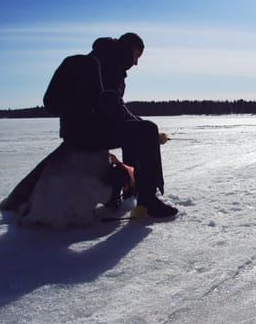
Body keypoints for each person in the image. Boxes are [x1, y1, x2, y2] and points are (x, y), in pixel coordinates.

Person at [42, 32, 177, 218]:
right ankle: (148, 199)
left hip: (72, 132)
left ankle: (131, 190)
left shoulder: (92, 60)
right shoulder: (108, 65)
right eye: (136, 56)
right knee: (147, 131)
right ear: (128, 49)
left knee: (137, 131)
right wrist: (148, 131)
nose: (136, 63)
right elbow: (112, 108)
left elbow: (50, 103)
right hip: (89, 132)